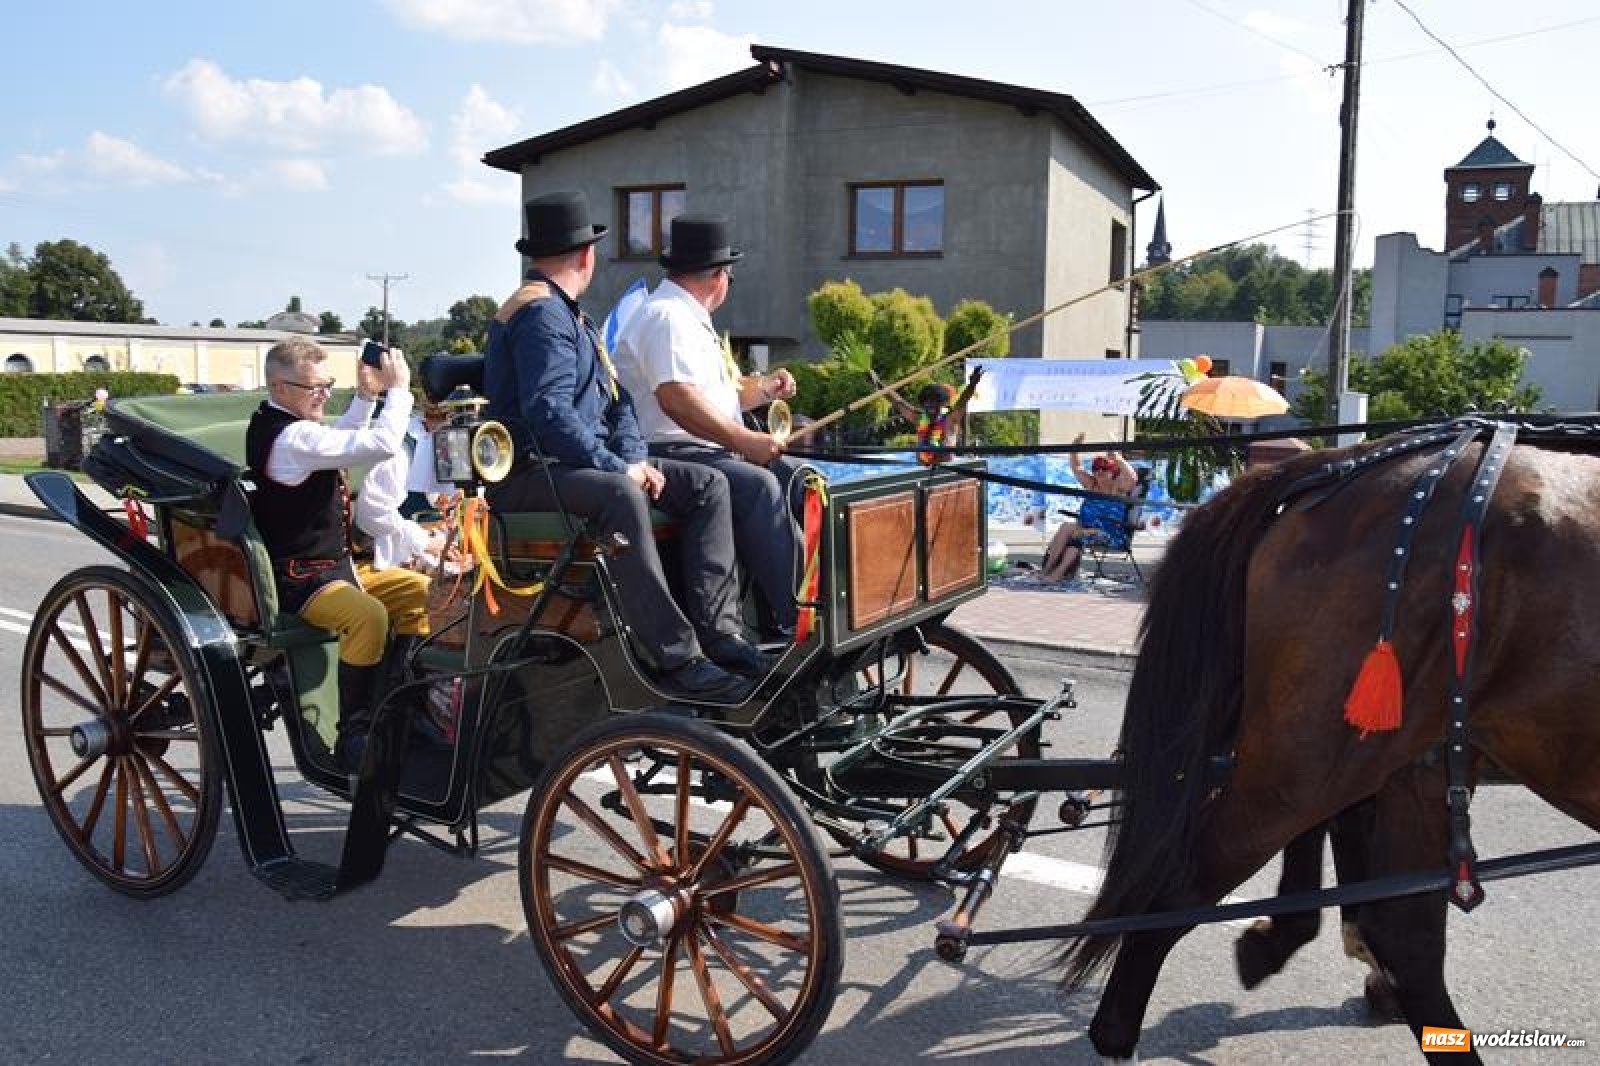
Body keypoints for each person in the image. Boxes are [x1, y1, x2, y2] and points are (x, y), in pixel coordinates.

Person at [480, 190, 761, 702]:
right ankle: (677, 657)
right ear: (587, 255)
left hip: (573, 464)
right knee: (620, 494)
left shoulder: (571, 315)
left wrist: (632, 456)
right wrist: (618, 468)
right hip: (531, 473)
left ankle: (721, 633)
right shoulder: (541, 315)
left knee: (707, 484)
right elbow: (549, 415)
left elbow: (619, 403)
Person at [246, 336, 430, 774]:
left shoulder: (290, 427)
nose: (324, 395)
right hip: (301, 578)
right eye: (314, 388)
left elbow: (339, 440)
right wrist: (398, 390)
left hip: (336, 568)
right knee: (368, 616)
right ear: (279, 388)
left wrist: (365, 396)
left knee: (421, 592)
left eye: (327, 385)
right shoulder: (290, 436)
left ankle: (397, 705)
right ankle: (354, 731)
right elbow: (378, 445)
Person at [612, 214, 801, 640]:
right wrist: (746, 440)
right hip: (668, 452)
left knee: (797, 479)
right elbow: (676, 400)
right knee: (759, 486)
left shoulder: (686, 317)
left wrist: (765, 388)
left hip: (701, 449)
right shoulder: (665, 317)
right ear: (719, 276)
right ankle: (797, 616)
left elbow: (720, 397)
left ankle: (783, 612)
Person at [1038, 432, 1140, 583]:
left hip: (1109, 534)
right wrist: (1075, 448)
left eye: (1104, 468)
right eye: (1096, 468)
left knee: (1074, 533)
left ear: (1113, 471)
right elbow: (1076, 467)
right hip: (1085, 530)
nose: (1099, 471)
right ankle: (1048, 571)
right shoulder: (1091, 484)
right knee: (1069, 530)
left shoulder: (1119, 487)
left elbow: (1133, 478)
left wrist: (1117, 457)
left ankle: (1056, 573)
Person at [873, 365, 984, 464]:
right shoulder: (920, 417)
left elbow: (962, 401)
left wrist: (972, 385)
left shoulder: (950, 418)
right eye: (927, 402)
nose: (930, 405)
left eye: (934, 402)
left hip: (945, 469)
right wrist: (878, 384)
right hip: (921, 468)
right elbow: (898, 402)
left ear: (942, 404)